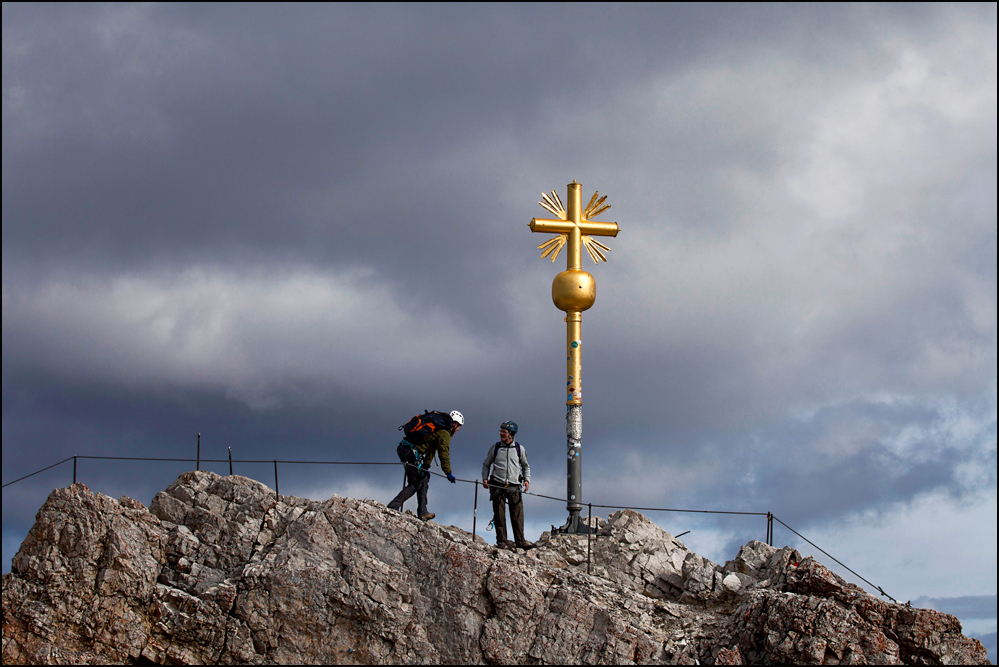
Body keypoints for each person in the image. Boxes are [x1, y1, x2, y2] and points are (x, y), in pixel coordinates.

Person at [388, 410, 463, 521]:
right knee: (415, 483)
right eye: (459, 427)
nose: (458, 429)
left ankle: (423, 512)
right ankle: (393, 506)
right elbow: (444, 453)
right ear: (455, 424)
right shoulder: (445, 434)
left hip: (406, 449)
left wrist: (426, 466)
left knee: (424, 478)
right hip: (410, 452)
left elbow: (431, 449)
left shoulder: (439, 430)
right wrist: (448, 472)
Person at [482, 421, 535, 550]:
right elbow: (486, 464)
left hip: (514, 486)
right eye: (501, 431)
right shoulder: (495, 448)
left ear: (511, 434)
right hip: (497, 486)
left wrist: (526, 480)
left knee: (517, 515)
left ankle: (520, 541)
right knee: (499, 514)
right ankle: (501, 541)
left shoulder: (519, 449)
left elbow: (525, 466)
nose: (501, 434)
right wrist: (485, 478)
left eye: (504, 432)